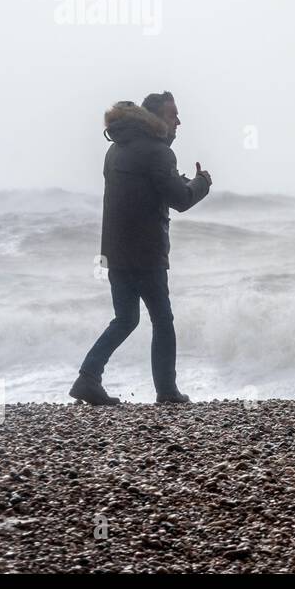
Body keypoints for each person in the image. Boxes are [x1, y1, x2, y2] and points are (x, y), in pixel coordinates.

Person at [70, 92, 212, 405]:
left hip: (116, 252)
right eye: (173, 115)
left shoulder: (115, 149)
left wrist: (180, 179)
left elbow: (150, 186)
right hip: (146, 252)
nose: (178, 122)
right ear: (156, 119)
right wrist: (202, 182)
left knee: (126, 318)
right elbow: (180, 199)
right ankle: (167, 391)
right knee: (162, 320)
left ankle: (88, 377)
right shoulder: (158, 152)